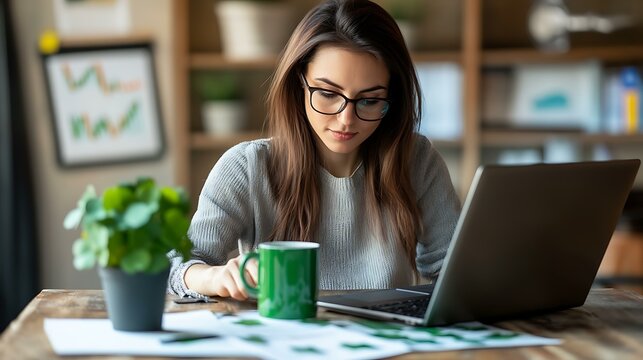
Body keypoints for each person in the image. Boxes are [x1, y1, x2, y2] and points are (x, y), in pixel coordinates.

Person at [168, 0, 460, 300]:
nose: (346, 119)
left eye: (370, 100)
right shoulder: (246, 166)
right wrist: (213, 276)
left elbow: (455, 271)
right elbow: (176, 267)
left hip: (388, 337)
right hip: (286, 338)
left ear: (392, 99)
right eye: (328, 94)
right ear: (299, 85)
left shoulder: (417, 160)